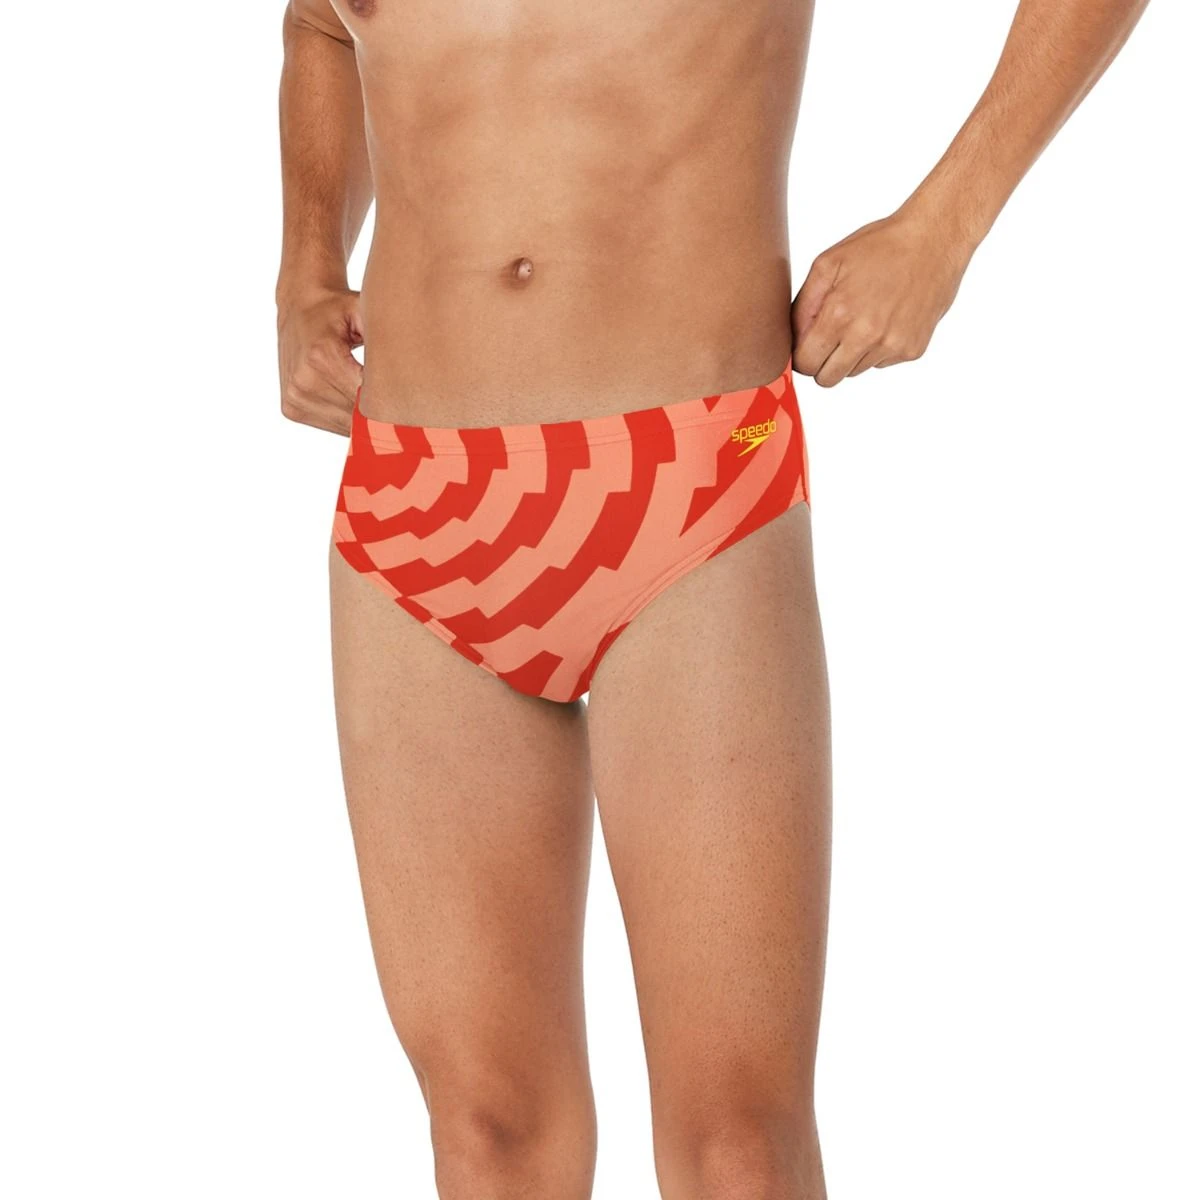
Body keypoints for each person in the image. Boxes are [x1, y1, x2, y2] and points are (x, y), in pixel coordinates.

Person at [275, 1, 1148, 1195]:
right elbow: (322, 26)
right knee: (487, 1133)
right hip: (413, 497)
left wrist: (943, 228)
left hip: (696, 477)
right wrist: (306, 267)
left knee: (740, 1146)